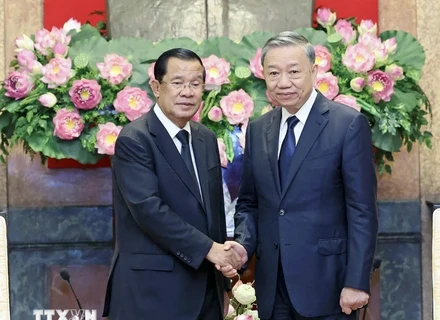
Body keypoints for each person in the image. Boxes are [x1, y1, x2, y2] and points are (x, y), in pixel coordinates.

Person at [222, 31, 379, 319]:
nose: (284, 82)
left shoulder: (347, 124)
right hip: (272, 285)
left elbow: (362, 211)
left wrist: (357, 281)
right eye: (273, 73)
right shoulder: (258, 129)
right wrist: (244, 246)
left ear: (314, 71)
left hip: (329, 285)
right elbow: (250, 203)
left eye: (294, 72)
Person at [102, 48, 246, 320]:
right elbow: (149, 210)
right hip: (152, 293)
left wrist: (223, 282)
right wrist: (210, 250)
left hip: (205, 291)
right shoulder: (135, 139)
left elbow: (211, 213)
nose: (187, 92)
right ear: (156, 87)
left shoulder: (204, 139)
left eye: (195, 84)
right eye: (177, 83)